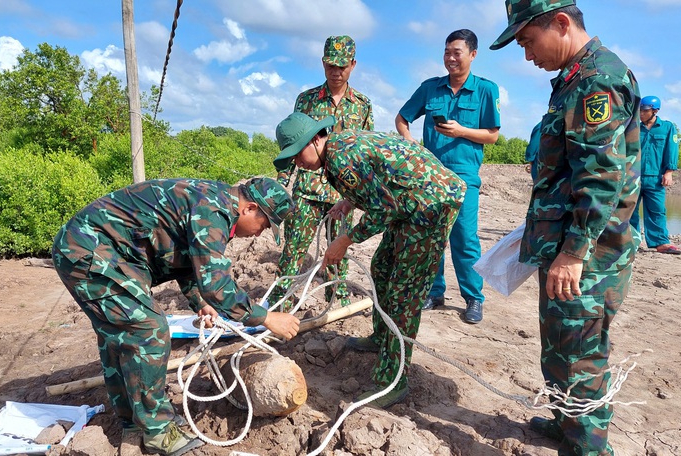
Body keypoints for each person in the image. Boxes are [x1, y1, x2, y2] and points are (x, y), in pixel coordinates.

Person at [51, 177, 299, 456]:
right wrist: (265, 318)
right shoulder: (212, 212)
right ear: (250, 208)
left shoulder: (212, 203)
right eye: (264, 225)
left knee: (120, 335)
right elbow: (218, 287)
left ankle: (134, 421)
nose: (258, 234)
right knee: (148, 330)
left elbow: (182, 257)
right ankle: (158, 432)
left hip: (92, 251)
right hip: (89, 251)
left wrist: (198, 302)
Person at [490, 1, 641, 454]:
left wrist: (574, 253)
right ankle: (567, 424)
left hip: (588, 254)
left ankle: (589, 446)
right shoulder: (574, 79)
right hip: (565, 246)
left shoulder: (598, 80)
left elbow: (600, 178)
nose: (526, 55)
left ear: (560, 23)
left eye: (527, 41)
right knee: (559, 348)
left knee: (580, 356)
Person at [273, 112, 466, 408]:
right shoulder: (337, 148)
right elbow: (378, 178)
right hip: (410, 202)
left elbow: (384, 209)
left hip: (430, 205)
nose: (297, 163)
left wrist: (344, 240)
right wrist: (349, 200)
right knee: (382, 268)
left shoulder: (341, 158)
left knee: (404, 292)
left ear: (314, 140)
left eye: (296, 154)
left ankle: (393, 381)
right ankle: (381, 338)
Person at [395, 28, 500, 324]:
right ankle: (434, 291)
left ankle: (473, 298)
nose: (450, 58)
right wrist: (408, 140)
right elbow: (402, 118)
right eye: (446, 52)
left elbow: (492, 135)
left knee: (464, 238)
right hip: (430, 173)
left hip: (464, 175)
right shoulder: (431, 87)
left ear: (473, 54)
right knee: (431, 236)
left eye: (457, 52)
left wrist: (461, 131)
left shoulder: (486, 90)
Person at [271, 35, 374, 310]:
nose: (335, 72)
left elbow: (365, 151)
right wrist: (282, 185)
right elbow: (292, 144)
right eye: (330, 65)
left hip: (343, 194)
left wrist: (358, 196)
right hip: (307, 191)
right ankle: (280, 305)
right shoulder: (306, 100)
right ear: (322, 63)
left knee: (337, 255)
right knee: (293, 253)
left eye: (341, 66)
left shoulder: (362, 105)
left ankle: (335, 306)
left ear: (352, 65)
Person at [632, 95, 681, 255]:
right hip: (633, 176)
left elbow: (672, 150)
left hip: (655, 177)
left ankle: (660, 243)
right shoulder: (634, 128)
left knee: (657, 210)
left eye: (645, 111)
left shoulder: (667, 127)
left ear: (655, 111)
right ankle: (630, 243)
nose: (641, 113)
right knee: (629, 210)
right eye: (640, 110)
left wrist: (669, 172)